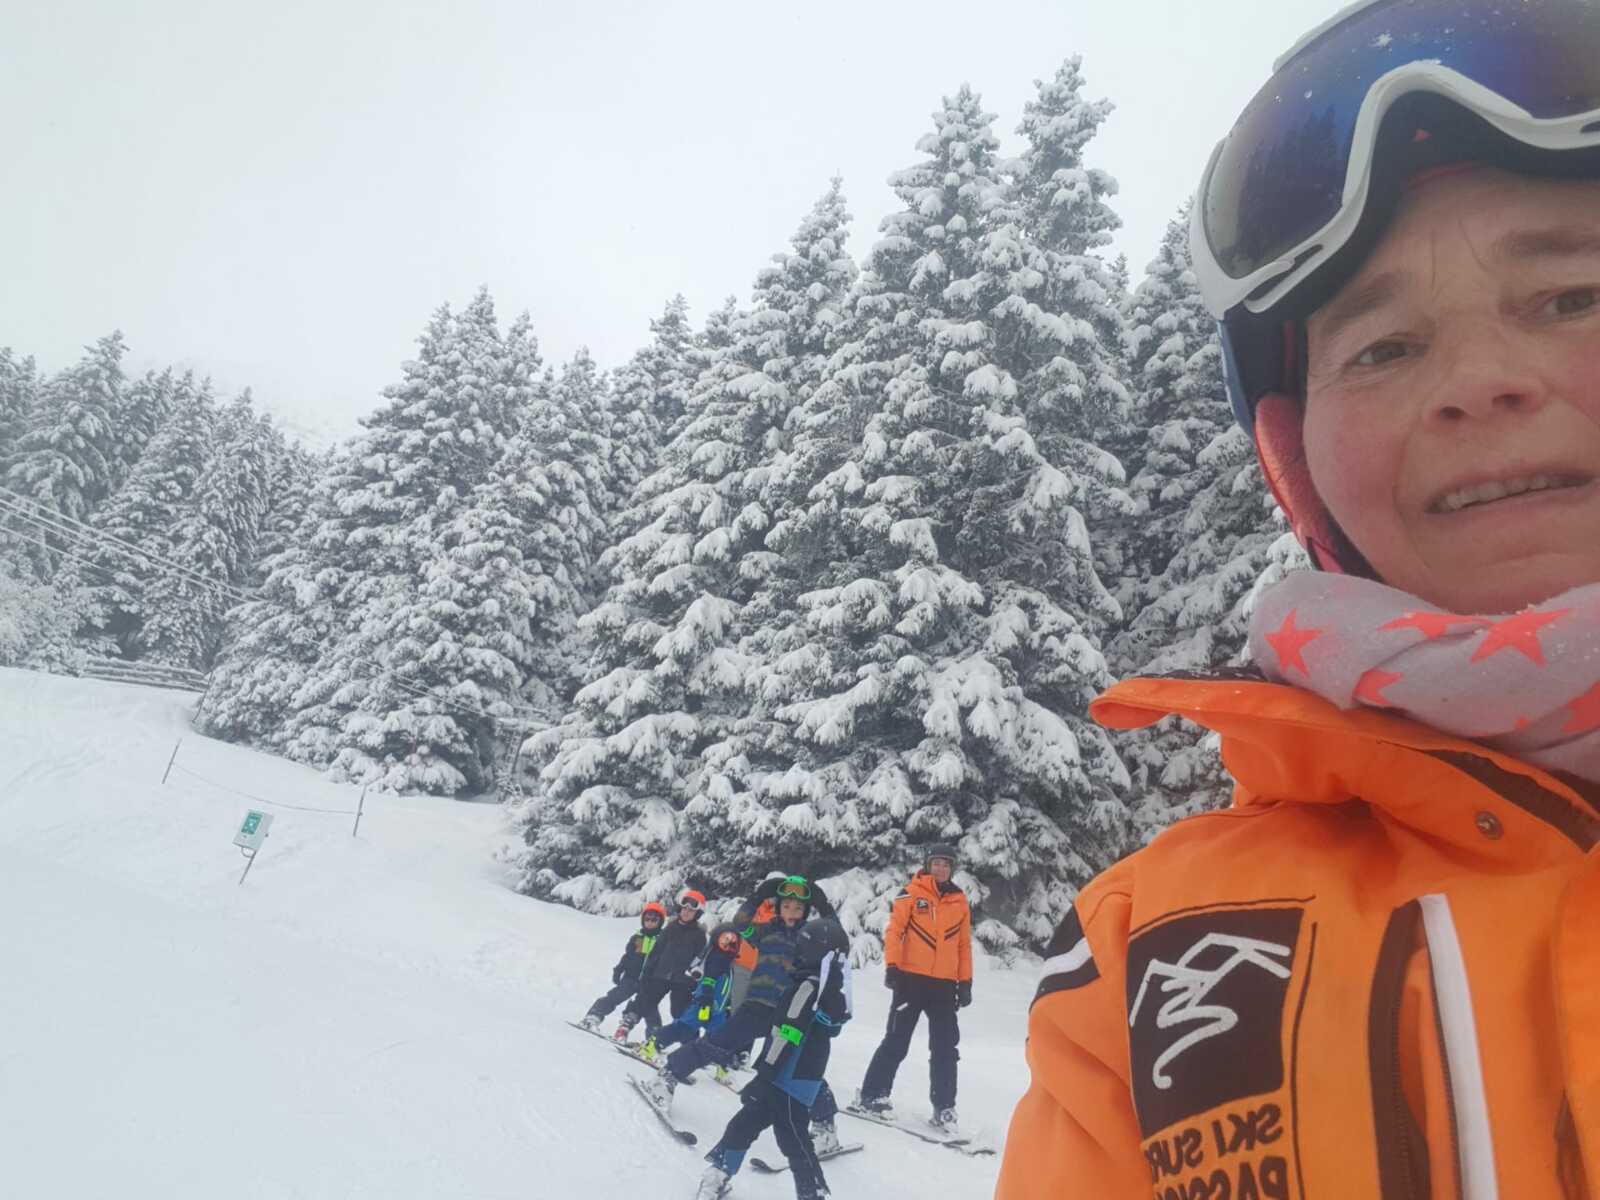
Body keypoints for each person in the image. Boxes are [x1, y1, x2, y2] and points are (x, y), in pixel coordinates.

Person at [998, 3, 1600, 1196]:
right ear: (1298, 463)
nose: (1478, 383)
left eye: (1570, 297)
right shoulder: (1162, 948)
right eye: (1382, 349)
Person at [643, 874, 833, 1110]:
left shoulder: (810, 937)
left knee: (797, 1061)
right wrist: (759, 896)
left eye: (797, 908)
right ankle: (667, 1077)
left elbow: (835, 936)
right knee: (716, 1042)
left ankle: (823, 1118)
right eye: (786, 906)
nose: (791, 913)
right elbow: (740, 922)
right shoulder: (766, 932)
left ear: (805, 912)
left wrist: (824, 905)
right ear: (778, 909)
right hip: (756, 1006)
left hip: (789, 1012)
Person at [695, 918, 852, 1200]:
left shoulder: (808, 987)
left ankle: (813, 1193)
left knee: (793, 1140)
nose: (796, 951)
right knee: (744, 1125)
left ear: (815, 951)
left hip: (786, 1079)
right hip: (797, 1077)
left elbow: (788, 1034)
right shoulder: (828, 987)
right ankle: (718, 1174)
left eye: (801, 945)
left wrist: (764, 1078)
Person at [853, 844, 972, 1130]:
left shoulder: (959, 901)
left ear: (952, 868)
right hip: (910, 981)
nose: (941, 869)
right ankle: (872, 1095)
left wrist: (965, 981)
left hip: (944, 986)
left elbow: (963, 945)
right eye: (937, 863)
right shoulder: (911, 893)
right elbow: (895, 931)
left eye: (947, 864)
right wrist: (893, 966)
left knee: (945, 1048)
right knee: (897, 1040)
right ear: (928, 865)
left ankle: (944, 1107)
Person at [617, 889, 707, 1043]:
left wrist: (693, 981)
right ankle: (625, 1028)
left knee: (679, 1011)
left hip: (682, 981)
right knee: (644, 1000)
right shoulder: (670, 928)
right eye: (684, 908)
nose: (686, 912)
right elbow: (656, 952)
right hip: (660, 974)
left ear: (697, 914)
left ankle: (691, 1044)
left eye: (691, 910)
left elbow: (699, 960)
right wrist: (647, 973)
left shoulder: (699, 935)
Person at [651, 922, 742, 1057]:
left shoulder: (729, 961)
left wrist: (727, 1004)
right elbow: (709, 979)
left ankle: (715, 1061)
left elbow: (727, 987)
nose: (729, 943)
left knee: (718, 1036)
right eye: (725, 938)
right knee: (685, 1026)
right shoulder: (717, 956)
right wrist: (706, 997)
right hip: (705, 1003)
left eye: (733, 940)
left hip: (718, 1009)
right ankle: (653, 1043)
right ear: (717, 938)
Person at [578, 902, 664, 1031]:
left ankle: (652, 1035)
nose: (650, 922)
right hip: (630, 978)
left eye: (654, 920)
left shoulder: (662, 940)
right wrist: (618, 970)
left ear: (660, 922)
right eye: (647, 919)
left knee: (648, 1007)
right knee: (614, 996)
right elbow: (628, 956)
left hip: (649, 982)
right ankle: (593, 1017)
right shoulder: (638, 938)